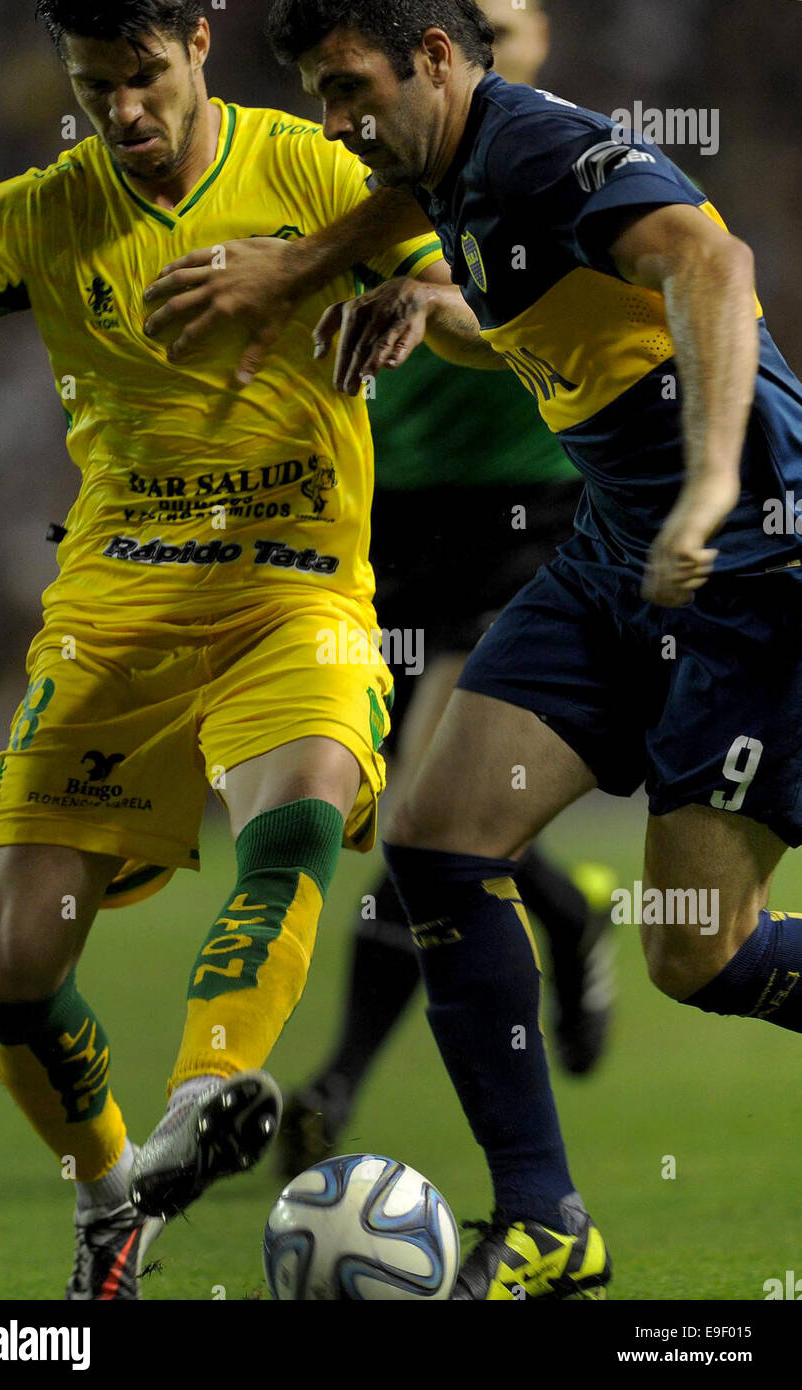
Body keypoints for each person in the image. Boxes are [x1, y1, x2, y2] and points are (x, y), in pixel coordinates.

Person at [0, 0, 495, 1300]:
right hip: (115, 615)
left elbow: (470, 250)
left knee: (298, 803)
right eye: (90, 88)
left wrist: (414, 294)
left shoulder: (307, 167)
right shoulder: (35, 214)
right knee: (11, 965)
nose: (120, 112)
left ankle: (208, 1086)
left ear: (197, 40)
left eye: (138, 76)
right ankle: (107, 1200)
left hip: (291, 587)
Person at [257, 0, 802, 1299]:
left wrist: (712, 477)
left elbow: (710, 269)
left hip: (747, 568)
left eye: (346, 90)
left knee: (697, 955)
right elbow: (537, 316)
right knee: (438, 841)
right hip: (616, 553)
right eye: (318, 98)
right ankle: (544, 1220)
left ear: (436, 61)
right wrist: (420, 307)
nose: (334, 122)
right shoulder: (446, 180)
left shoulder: (534, 146)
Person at [275, 0, 617, 1182]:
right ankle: (568, 912)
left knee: (428, 804)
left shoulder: (557, 154)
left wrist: (431, 305)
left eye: (504, 20)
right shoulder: (382, 157)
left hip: (530, 514)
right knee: (402, 813)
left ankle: (340, 1079)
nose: (488, 35)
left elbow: (524, 313)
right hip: (393, 518)